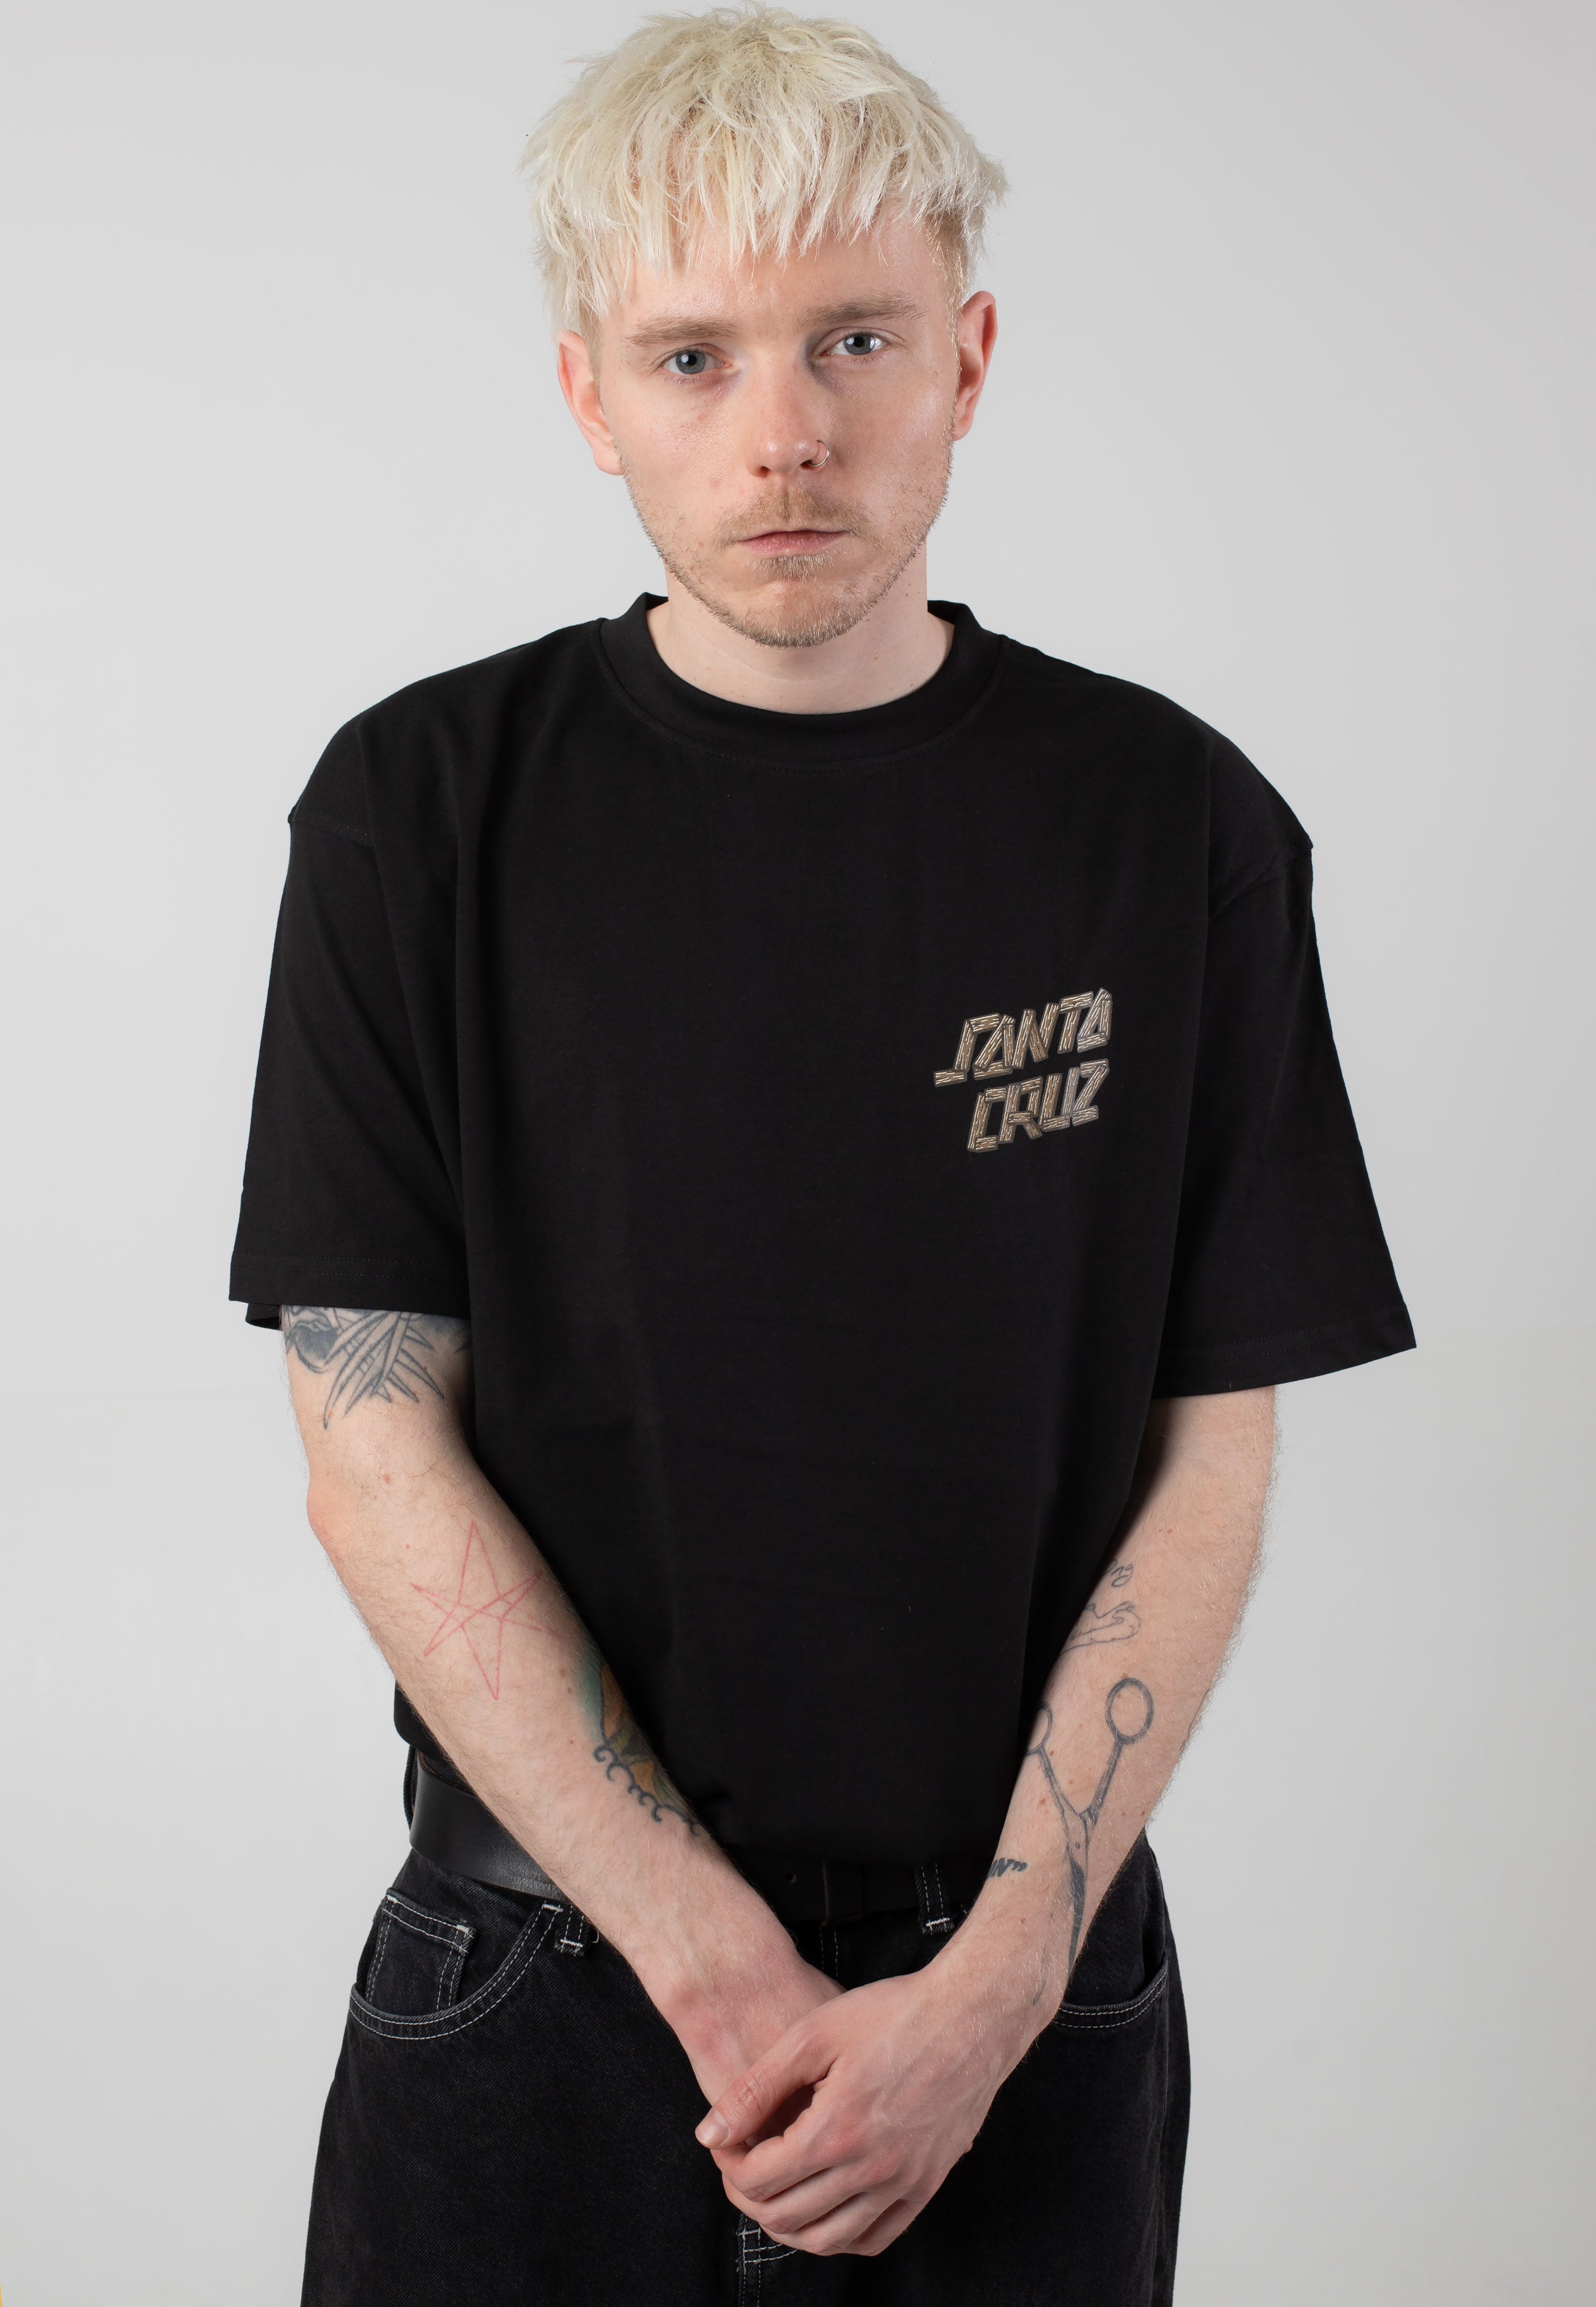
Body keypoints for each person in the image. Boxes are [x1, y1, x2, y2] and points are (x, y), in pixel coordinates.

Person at [229, 10, 1414, 2302]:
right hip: (539, 1976)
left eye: (856, 338)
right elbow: (371, 1448)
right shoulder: (416, 814)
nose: (785, 430)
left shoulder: (1174, 830)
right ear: (588, 395)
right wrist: (716, 1967)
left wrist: (994, 1993)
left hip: (1022, 1984)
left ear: (969, 356)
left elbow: (1213, 1452)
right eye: (693, 356)